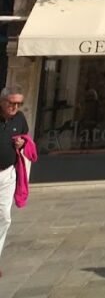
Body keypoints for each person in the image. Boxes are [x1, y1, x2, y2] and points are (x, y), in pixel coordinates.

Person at [0, 85, 30, 277]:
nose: (15, 107)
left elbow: (26, 138)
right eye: (12, 103)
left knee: (4, 217)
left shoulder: (19, 118)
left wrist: (23, 143)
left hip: (7, 174)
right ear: (2, 101)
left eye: (19, 103)